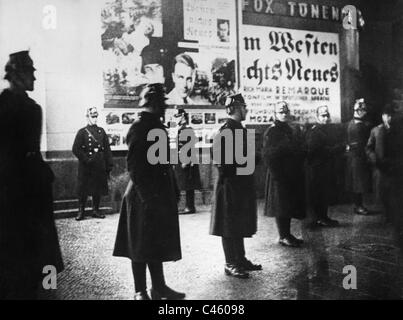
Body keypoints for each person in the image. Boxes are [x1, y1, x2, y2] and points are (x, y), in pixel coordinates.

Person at [0, 51, 63, 299]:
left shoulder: (17, 105)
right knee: (32, 245)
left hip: (15, 186)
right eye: (30, 72)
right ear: (16, 75)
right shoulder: (27, 108)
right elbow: (29, 152)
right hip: (22, 187)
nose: (34, 77)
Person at [113, 83, 185, 300]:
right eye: (162, 103)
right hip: (142, 197)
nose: (165, 106)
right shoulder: (139, 128)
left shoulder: (156, 126)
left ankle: (159, 287)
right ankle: (140, 291)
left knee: (155, 241)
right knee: (140, 243)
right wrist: (149, 200)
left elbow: (165, 163)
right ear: (152, 103)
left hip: (157, 194)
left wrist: (173, 188)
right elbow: (135, 169)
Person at [210, 93, 261, 279]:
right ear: (237, 108)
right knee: (229, 225)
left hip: (239, 185)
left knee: (238, 222)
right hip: (230, 186)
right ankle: (230, 263)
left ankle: (240, 258)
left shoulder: (238, 129)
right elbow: (223, 165)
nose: (246, 110)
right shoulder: (225, 131)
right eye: (244, 107)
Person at [263, 101, 306, 247]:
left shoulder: (289, 129)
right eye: (281, 112)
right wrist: (277, 176)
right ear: (275, 114)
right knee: (280, 206)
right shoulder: (272, 131)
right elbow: (268, 155)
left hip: (289, 173)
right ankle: (283, 236)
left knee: (286, 205)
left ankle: (287, 234)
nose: (284, 114)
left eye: (286, 111)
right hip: (278, 174)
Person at [306, 106, 345, 228]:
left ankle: (323, 217)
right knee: (317, 194)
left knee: (324, 194)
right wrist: (338, 148)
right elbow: (315, 151)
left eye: (327, 115)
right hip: (316, 168)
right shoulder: (314, 131)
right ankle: (317, 219)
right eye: (323, 115)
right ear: (317, 117)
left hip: (326, 167)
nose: (326, 118)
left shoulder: (328, 130)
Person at [72, 107, 113, 221]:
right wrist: (86, 159)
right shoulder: (82, 132)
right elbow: (76, 149)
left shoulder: (101, 131)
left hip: (99, 164)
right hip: (86, 166)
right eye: (92, 116)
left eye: (96, 116)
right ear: (87, 117)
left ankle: (96, 210)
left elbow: (107, 149)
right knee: (83, 189)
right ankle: (81, 211)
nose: (95, 118)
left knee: (97, 187)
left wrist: (109, 165)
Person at [366, 104, 395, 221]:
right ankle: (387, 215)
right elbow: (368, 148)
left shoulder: (398, 131)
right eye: (386, 115)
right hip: (380, 167)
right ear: (383, 116)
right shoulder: (376, 130)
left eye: (391, 116)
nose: (389, 118)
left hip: (394, 168)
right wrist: (374, 158)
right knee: (382, 193)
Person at [346, 98, 372, 215]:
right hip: (357, 157)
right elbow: (359, 143)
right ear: (359, 111)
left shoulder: (353, 123)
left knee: (358, 182)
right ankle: (358, 206)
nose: (365, 112)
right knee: (358, 182)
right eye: (364, 110)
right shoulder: (358, 126)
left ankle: (358, 205)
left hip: (356, 156)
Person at [173, 108, 202, 214]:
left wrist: (186, 161)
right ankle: (187, 206)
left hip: (187, 160)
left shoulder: (187, 129)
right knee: (184, 183)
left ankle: (190, 207)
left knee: (188, 184)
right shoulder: (182, 128)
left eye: (177, 116)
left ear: (183, 117)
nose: (175, 119)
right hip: (182, 158)